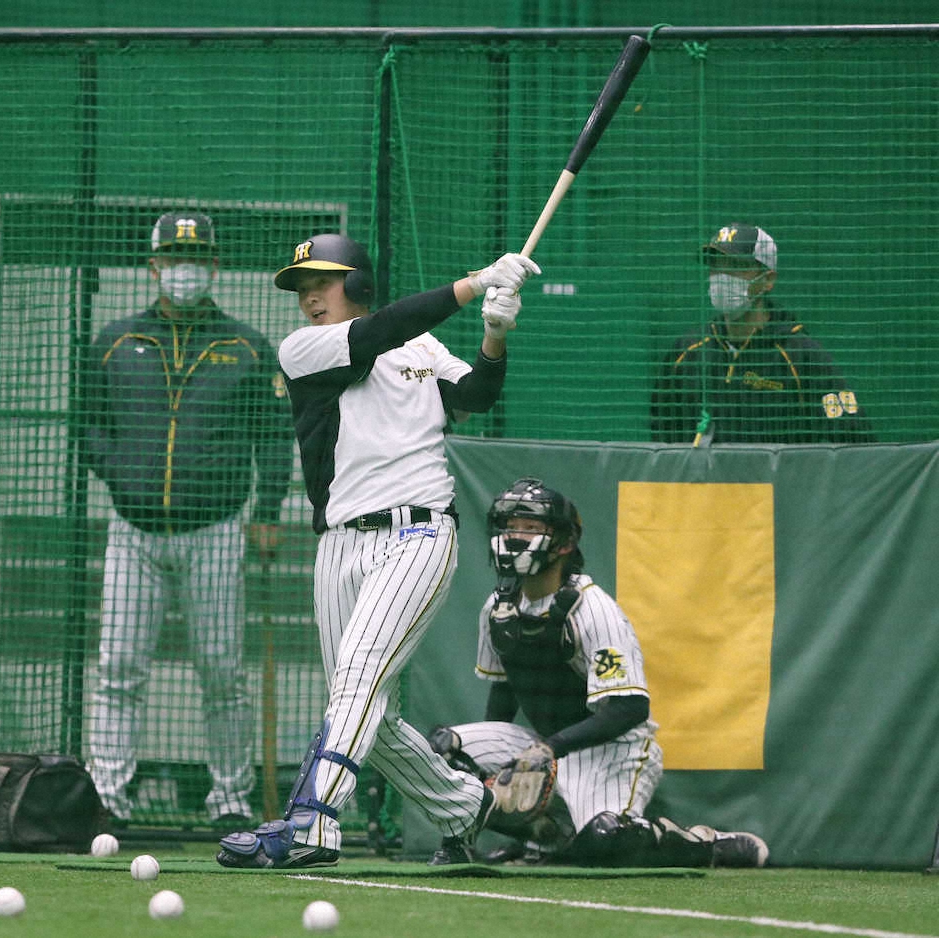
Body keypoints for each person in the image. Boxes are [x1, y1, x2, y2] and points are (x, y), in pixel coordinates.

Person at [215, 233, 540, 869]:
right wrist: (476, 283)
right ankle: (464, 806)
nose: (310, 297)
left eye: (323, 282)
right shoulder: (303, 349)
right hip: (339, 544)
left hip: (418, 533)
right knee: (370, 713)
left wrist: (494, 336)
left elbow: (473, 395)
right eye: (302, 288)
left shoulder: (422, 346)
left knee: (359, 679)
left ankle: (312, 822)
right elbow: (377, 333)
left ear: (359, 284)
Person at [427, 477, 769, 868]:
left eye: (530, 527)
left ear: (564, 543)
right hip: (546, 743)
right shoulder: (498, 608)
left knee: (607, 840)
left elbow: (630, 708)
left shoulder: (591, 609)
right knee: (443, 749)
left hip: (612, 750)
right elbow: (506, 692)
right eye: (510, 526)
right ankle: (527, 839)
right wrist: (503, 774)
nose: (515, 536)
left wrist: (548, 750)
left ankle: (705, 845)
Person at [84, 210, 293, 828]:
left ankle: (229, 799)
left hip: (217, 533)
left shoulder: (248, 347)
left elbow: (273, 437)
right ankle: (107, 798)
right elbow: (88, 426)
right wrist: (120, 472)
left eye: (197, 258)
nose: (185, 269)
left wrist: (268, 511)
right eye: (175, 258)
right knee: (118, 669)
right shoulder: (114, 341)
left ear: (214, 266)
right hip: (132, 534)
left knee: (223, 673)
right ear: (153, 266)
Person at [651, 223, 872, 444]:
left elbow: (853, 440)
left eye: (736, 266)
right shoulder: (687, 352)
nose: (722, 277)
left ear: (768, 280)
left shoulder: (803, 357)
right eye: (716, 266)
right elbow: (664, 440)